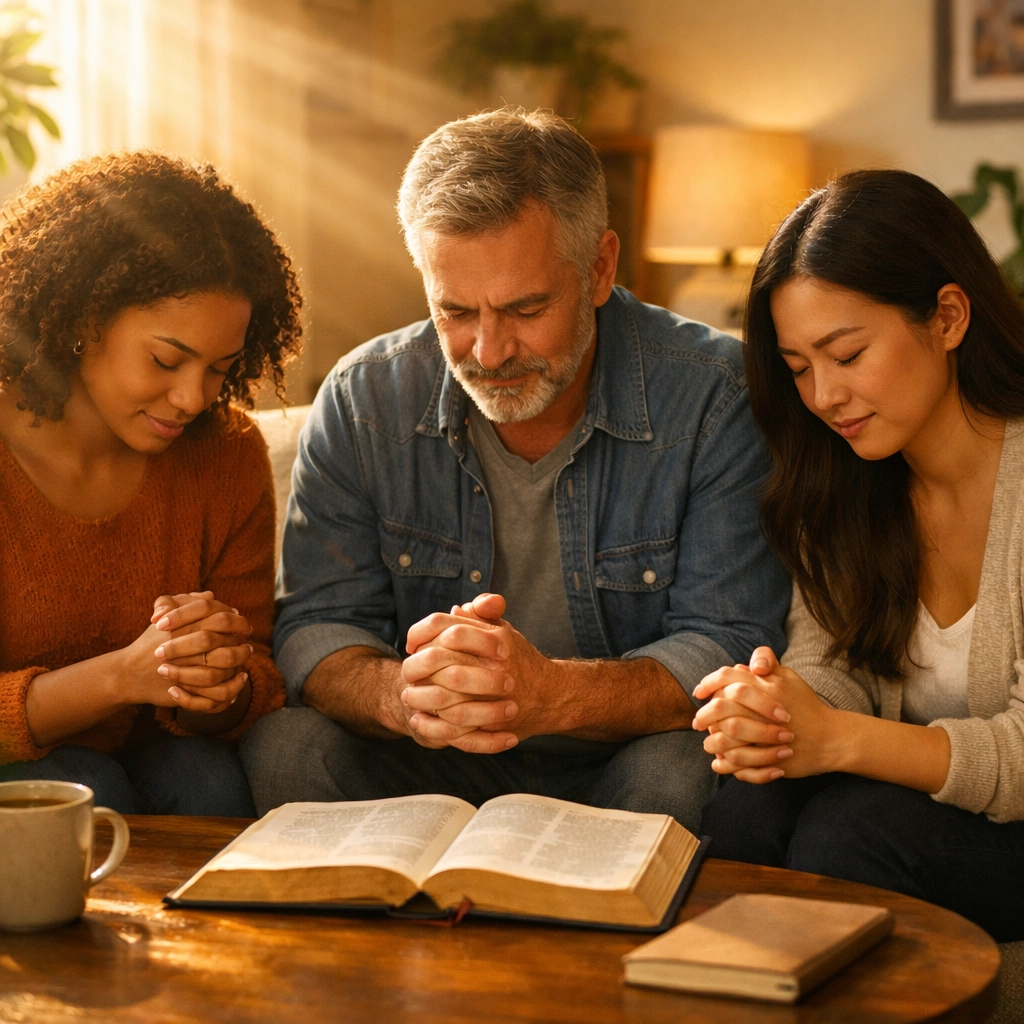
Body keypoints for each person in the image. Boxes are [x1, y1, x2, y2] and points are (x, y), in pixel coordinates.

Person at [241, 108, 790, 834]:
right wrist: (398, 694)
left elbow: (725, 641)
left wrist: (550, 695)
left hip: (618, 754)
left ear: (599, 268)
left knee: (685, 773)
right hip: (423, 752)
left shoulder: (715, 393)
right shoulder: (364, 397)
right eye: (454, 311)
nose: (488, 350)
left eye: (526, 308)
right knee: (286, 749)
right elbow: (317, 624)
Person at [694, 168, 1024, 941]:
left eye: (847, 354)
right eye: (800, 367)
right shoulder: (845, 478)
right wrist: (778, 708)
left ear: (947, 317)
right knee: (753, 788)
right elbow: (831, 665)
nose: (822, 398)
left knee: (851, 831)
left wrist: (840, 739)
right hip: (916, 807)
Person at [0, 152, 303, 816]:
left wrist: (218, 682)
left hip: (163, 756)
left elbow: (256, 673)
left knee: (206, 777)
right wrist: (118, 678)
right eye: (167, 360)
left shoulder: (225, 454)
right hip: (21, 768)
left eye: (222, 368)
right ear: (85, 319)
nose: (194, 397)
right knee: (81, 790)